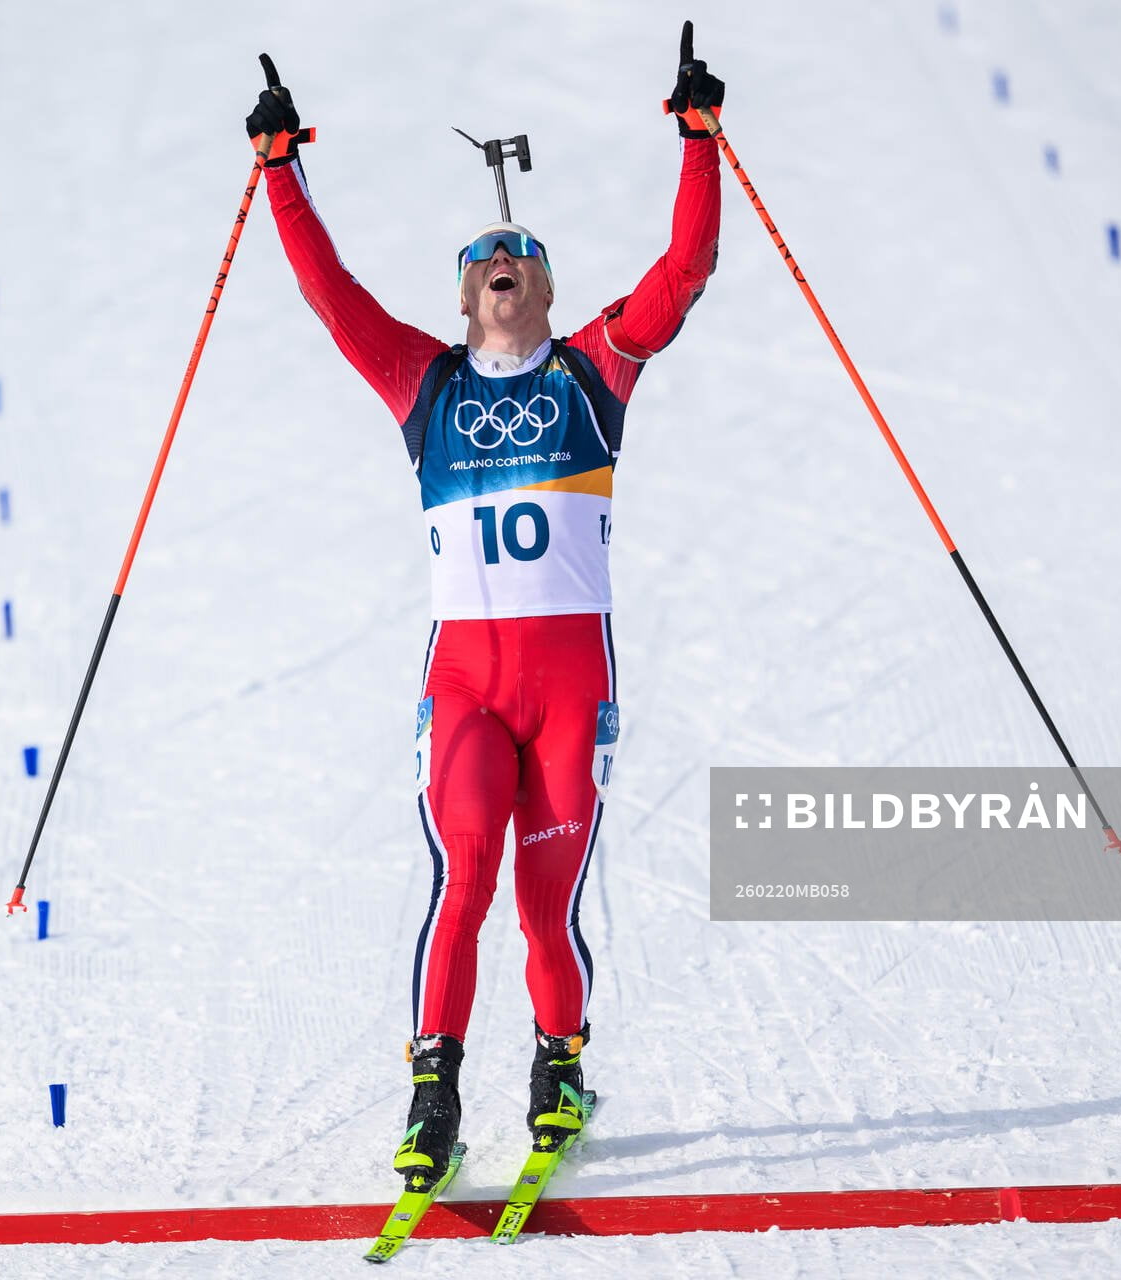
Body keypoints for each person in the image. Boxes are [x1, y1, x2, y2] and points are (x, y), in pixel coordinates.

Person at [246, 29, 724, 1187]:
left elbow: (686, 268)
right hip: (464, 682)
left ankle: (559, 1066)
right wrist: (279, 169)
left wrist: (698, 140)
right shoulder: (424, 381)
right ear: (464, 295)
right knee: (461, 876)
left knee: (543, 906)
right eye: (482, 256)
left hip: (570, 691)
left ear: (546, 289)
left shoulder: (593, 371)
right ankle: (434, 1092)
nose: (501, 258)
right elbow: (327, 291)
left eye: (520, 251)